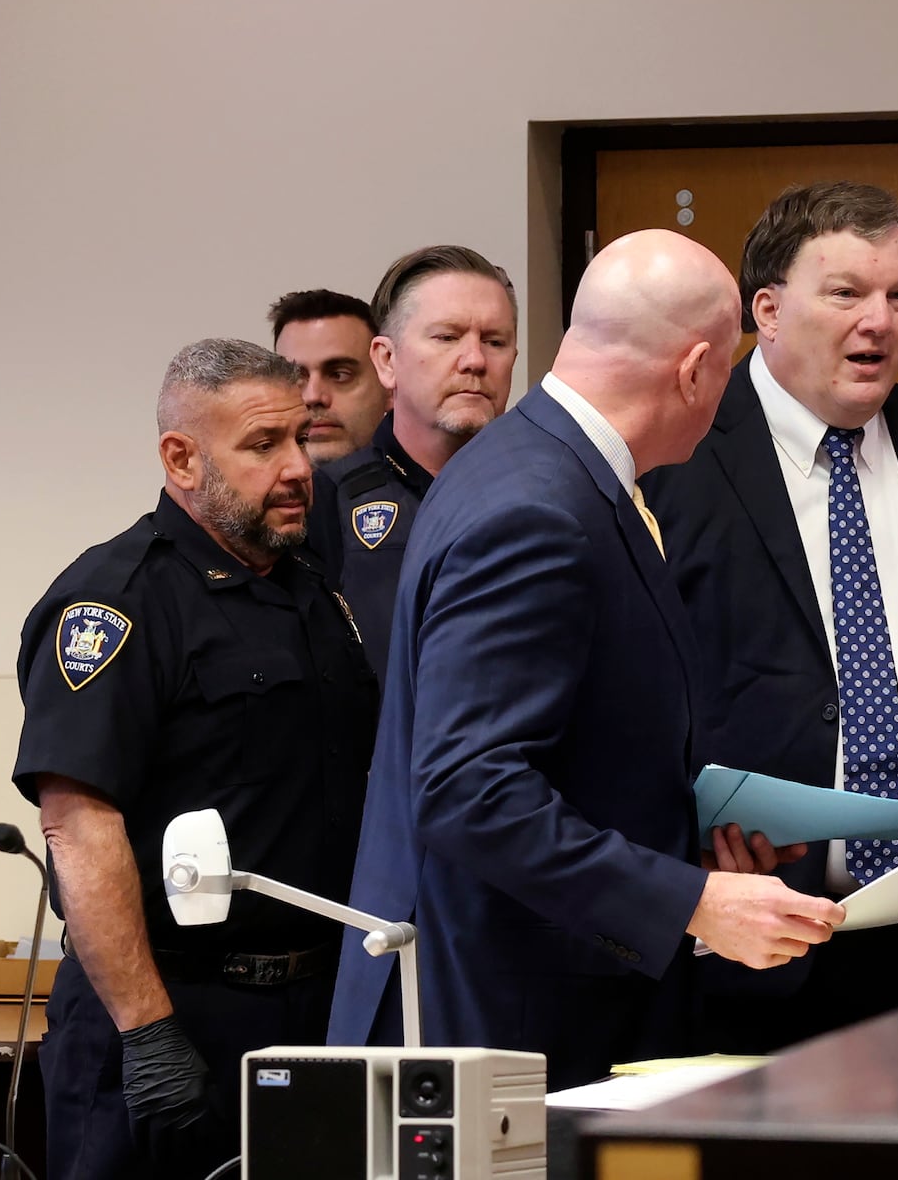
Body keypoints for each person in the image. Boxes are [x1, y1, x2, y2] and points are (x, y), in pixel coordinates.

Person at [326, 229, 843, 1090]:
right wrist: (691, 903)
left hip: (539, 997)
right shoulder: (537, 506)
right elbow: (468, 790)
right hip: (498, 1019)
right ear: (695, 371)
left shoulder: (538, 463)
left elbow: (573, 747)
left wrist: (691, 847)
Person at [642, 181, 898, 1052]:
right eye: (846, 293)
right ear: (766, 311)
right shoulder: (676, 457)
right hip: (757, 950)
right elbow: (634, 702)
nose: (879, 322)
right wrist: (678, 859)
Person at [12, 339, 379, 1179]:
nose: (296, 468)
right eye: (262, 445)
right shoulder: (117, 600)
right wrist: (149, 1034)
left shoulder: (311, 592)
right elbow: (78, 823)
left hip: (308, 1010)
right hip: (171, 1015)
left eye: (298, 438)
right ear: (181, 457)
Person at [310, 245, 517, 677]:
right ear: (387, 361)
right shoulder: (326, 501)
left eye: (495, 342)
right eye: (447, 337)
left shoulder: (546, 496)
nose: (475, 360)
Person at [269, 288, 389, 467]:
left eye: (339, 375)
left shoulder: (437, 491)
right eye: (295, 377)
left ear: (390, 390)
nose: (313, 397)